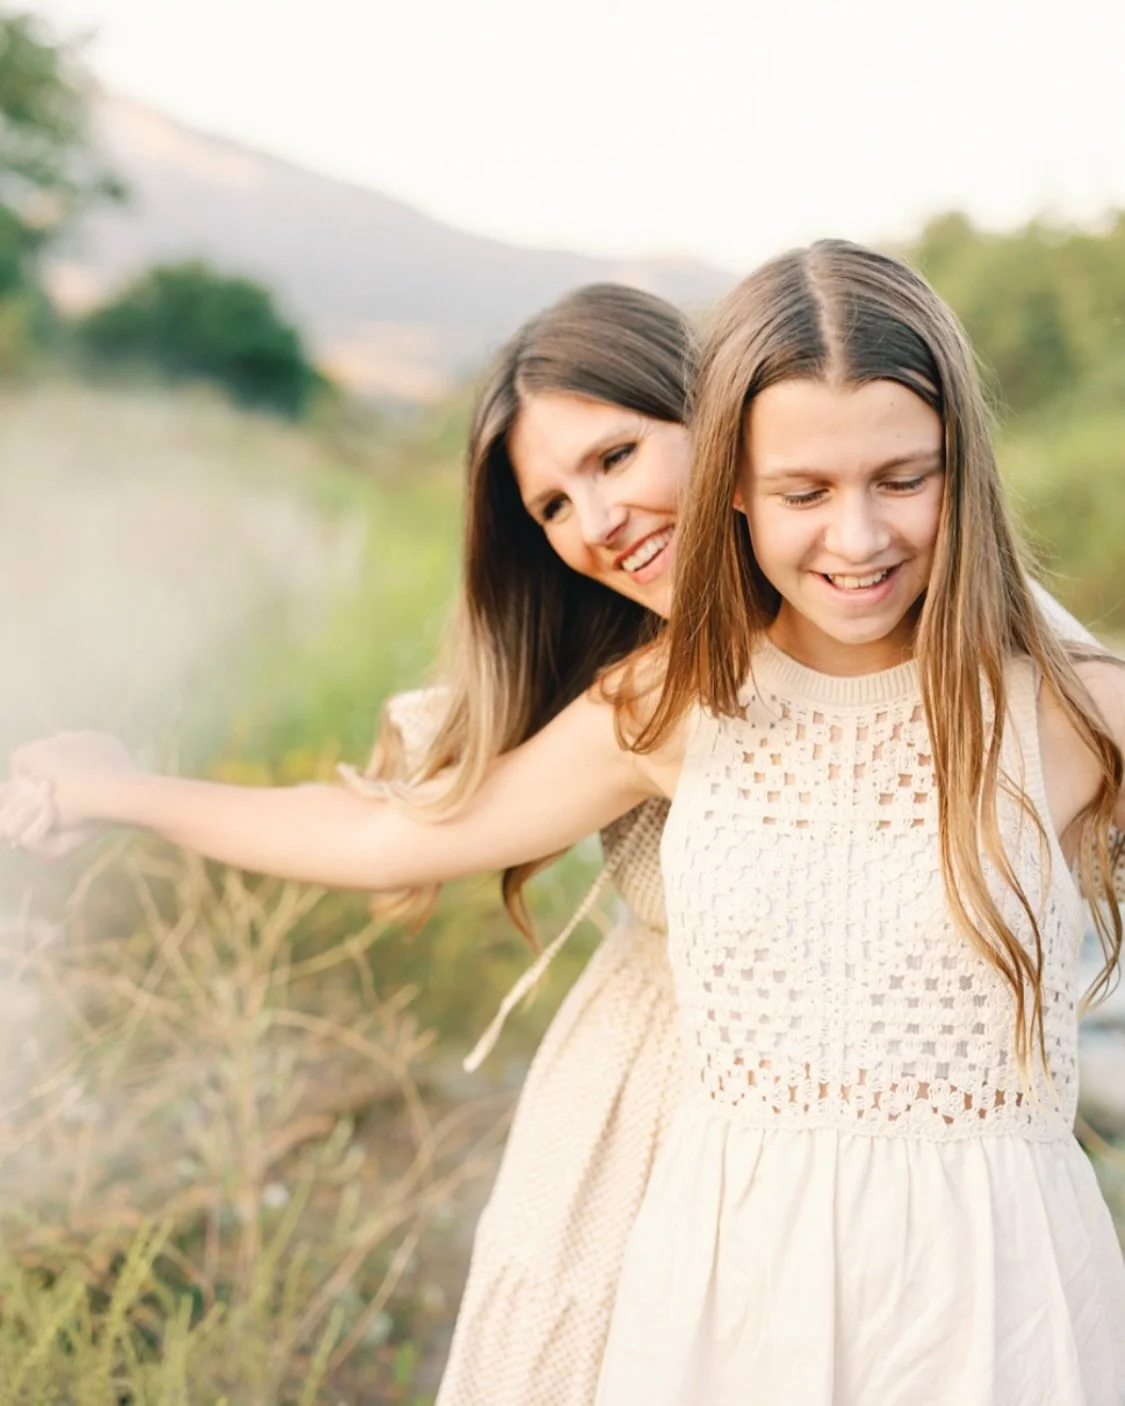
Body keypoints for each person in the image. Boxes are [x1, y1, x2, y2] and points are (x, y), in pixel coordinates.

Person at [5, 242, 1124, 1402]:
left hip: (990, 1283)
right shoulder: (673, 700)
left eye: (904, 479)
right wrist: (122, 788)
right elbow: (397, 833)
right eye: (804, 492)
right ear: (742, 478)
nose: (856, 536)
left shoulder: (1070, 708)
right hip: (734, 1275)